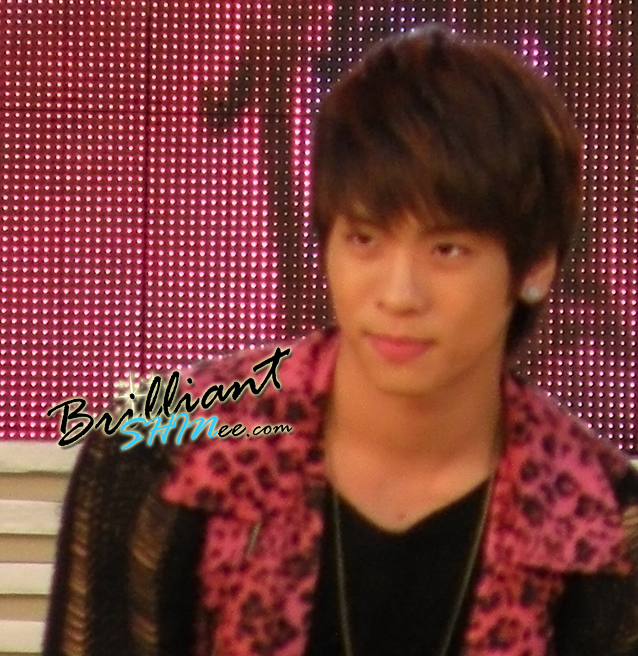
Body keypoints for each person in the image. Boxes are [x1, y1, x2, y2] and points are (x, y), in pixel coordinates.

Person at [43, 23, 638, 656]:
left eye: (447, 249)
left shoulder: (604, 525)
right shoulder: (157, 455)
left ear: (536, 266)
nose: (398, 295)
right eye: (364, 240)